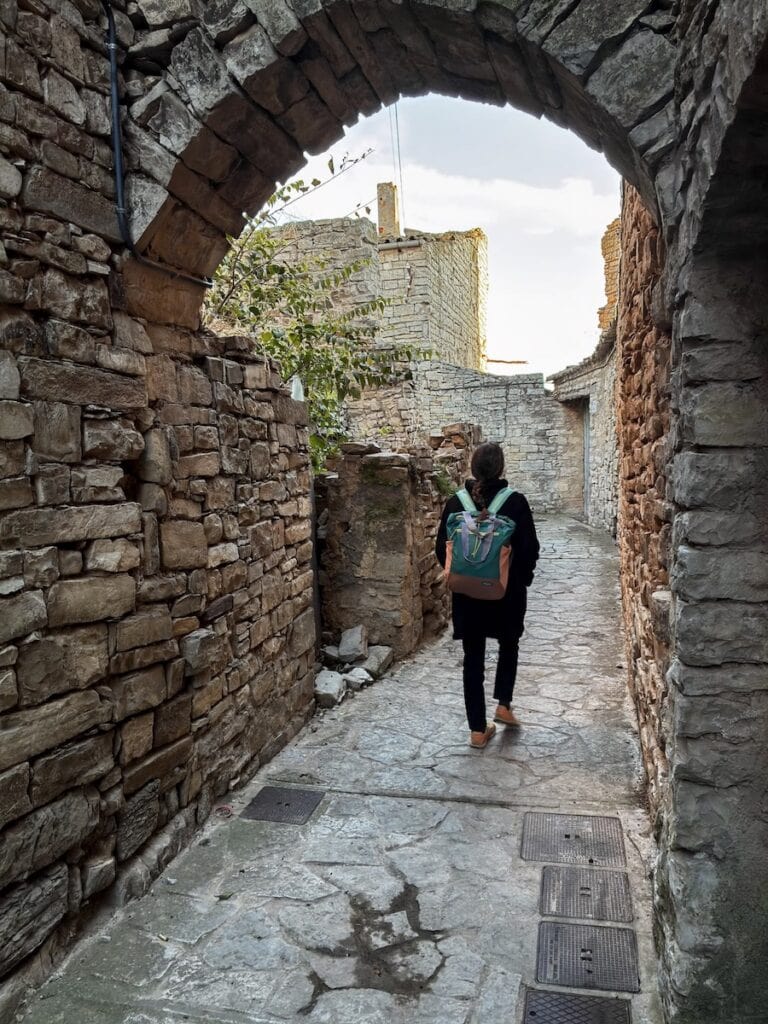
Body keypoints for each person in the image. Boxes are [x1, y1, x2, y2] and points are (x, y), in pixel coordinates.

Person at [436, 442, 540, 749]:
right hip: (506, 595)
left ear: (472, 468)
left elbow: (442, 549)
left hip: (468, 597)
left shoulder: (456, 503)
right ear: (502, 468)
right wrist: (518, 580)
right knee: (509, 644)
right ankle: (504, 705)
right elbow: (529, 549)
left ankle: (478, 730)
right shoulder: (515, 502)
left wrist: (466, 576)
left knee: (473, 659)